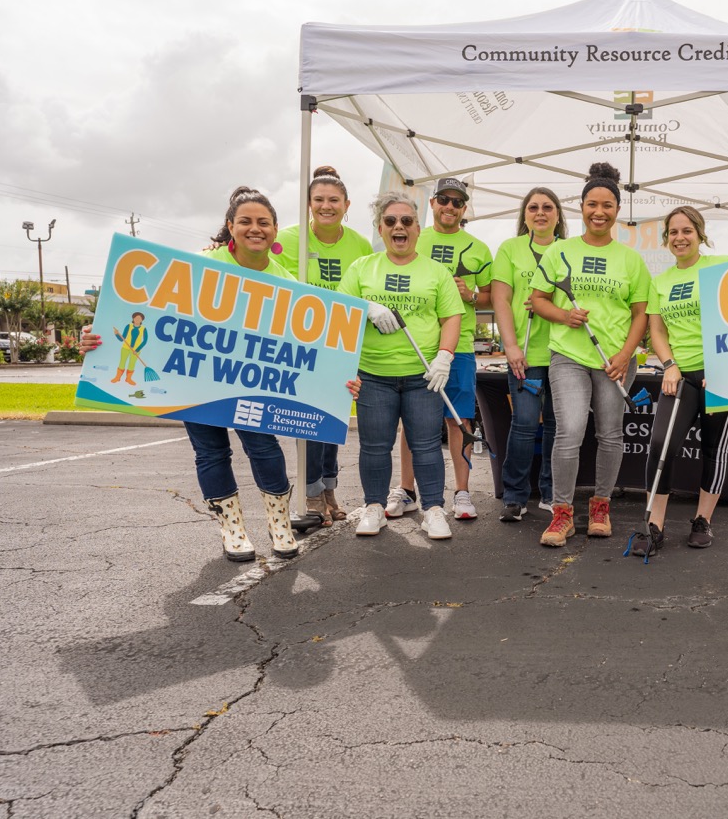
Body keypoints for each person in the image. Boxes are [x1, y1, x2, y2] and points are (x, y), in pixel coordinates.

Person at [81, 187, 360, 562]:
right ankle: (232, 529)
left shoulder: (289, 284)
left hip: (252, 384)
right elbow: (143, 312)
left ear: (276, 230)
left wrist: (340, 382)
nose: (254, 229)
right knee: (210, 453)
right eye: (245, 221)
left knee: (264, 448)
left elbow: (315, 351)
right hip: (198, 381)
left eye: (263, 222)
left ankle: (279, 525)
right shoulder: (198, 266)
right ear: (230, 226)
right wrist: (96, 340)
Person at [530, 163, 650, 547]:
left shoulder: (631, 260)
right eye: (592, 204)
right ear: (580, 207)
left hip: (615, 359)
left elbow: (641, 315)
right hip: (568, 355)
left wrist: (625, 354)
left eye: (608, 205)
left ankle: (601, 507)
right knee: (570, 431)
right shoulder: (559, 251)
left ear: (617, 210)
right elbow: (538, 300)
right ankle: (562, 514)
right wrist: (565, 316)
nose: (599, 212)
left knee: (610, 434)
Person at [338, 191, 463, 541]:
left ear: (418, 229)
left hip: (422, 376)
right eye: (391, 221)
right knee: (375, 446)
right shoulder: (362, 268)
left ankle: (433, 509)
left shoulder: (436, 272)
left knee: (425, 445)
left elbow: (452, 317)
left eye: (406, 221)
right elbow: (341, 309)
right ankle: (374, 507)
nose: (399, 227)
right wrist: (366, 306)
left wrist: (445, 356)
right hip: (374, 376)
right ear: (381, 229)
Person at [388, 177, 493, 523]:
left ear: (465, 209)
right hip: (415, 345)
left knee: (458, 418)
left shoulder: (479, 248)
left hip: (459, 345)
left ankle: (462, 492)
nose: (450, 207)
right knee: (412, 421)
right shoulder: (413, 235)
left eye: (457, 202)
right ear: (432, 203)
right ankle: (407, 490)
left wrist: (472, 296)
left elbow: (491, 297)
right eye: (444, 200)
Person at [633, 206, 728, 556]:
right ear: (666, 239)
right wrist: (670, 365)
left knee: (714, 449)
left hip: (721, 375)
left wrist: (723, 366)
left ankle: (703, 521)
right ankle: (654, 525)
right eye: (673, 232)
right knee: (660, 444)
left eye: (687, 230)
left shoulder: (721, 266)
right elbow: (656, 331)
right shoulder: (660, 281)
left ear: (700, 234)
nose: (680, 237)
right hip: (680, 375)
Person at [277, 166, 373, 527]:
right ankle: (312, 491)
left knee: (331, 418)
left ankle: (328, 488)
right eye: (319, 200)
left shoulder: (360, 244)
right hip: (302, 344)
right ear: (308, 204)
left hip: (342, 345)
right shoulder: (288, 240)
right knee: (308, 421)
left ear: (346, 205)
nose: (326, 206)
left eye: (334, 200)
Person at [491, 187, 565, 524]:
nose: (540, 213)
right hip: (525, 355)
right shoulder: (510, 249)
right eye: (533, 207)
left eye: (547, 207)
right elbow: (501, 300)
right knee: (523, 424)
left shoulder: (569, 251)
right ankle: (515, 496)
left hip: (565, 354)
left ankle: (551, 494)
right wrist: (510, 346)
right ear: (524, 215)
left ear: (558, 215)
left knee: (556, 425)